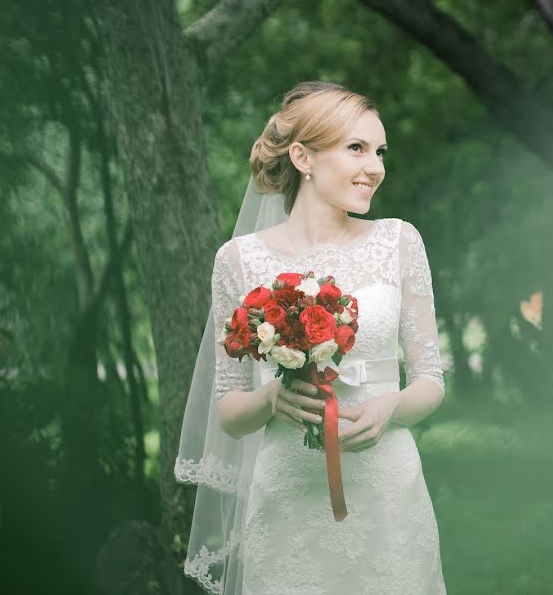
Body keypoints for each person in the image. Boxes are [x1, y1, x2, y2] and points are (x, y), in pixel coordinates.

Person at [175, 81, 447, 594]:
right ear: (302, 156)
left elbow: (430, 381)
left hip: (388, 493)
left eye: (380, 152)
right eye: (357, 149)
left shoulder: (400, 242)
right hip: (286, 498)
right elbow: (229, 412)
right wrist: (271, 397)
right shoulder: (238, 261)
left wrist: (391, 407)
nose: (376, 167)